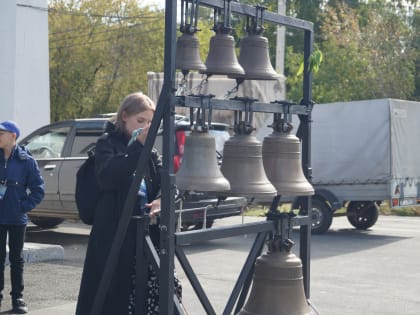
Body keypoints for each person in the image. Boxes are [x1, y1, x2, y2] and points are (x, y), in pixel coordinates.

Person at [76, 92, 181, 315]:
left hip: (142, 237)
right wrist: (137, 148)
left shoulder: (150, 153)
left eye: (151, 123)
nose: (146, 127)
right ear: (125, 116)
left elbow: (168, 184)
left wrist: (162, 199)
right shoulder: (108, 144)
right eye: (140, 121)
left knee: (142, 295)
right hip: (113, 235)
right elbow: (108, 176)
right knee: (110, 297)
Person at [0, 120, 45, 314]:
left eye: (1, 133)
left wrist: (23, 207)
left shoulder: (27, 161)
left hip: (17, 218)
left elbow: (38, 190)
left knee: (16, 259)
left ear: (13, 136)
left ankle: (17, 298)